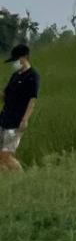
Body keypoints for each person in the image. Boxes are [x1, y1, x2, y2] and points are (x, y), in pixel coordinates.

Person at [0, 43, 39, 174]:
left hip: (16, 121)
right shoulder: (15, 76)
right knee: (1, 158)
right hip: (4, 118)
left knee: (6, 156)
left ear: (25, 57)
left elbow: (32, 100)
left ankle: (22, 176)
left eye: (17, 60)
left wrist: (25, 119)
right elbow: (5, 96)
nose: (15, 63)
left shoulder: (32, 76)